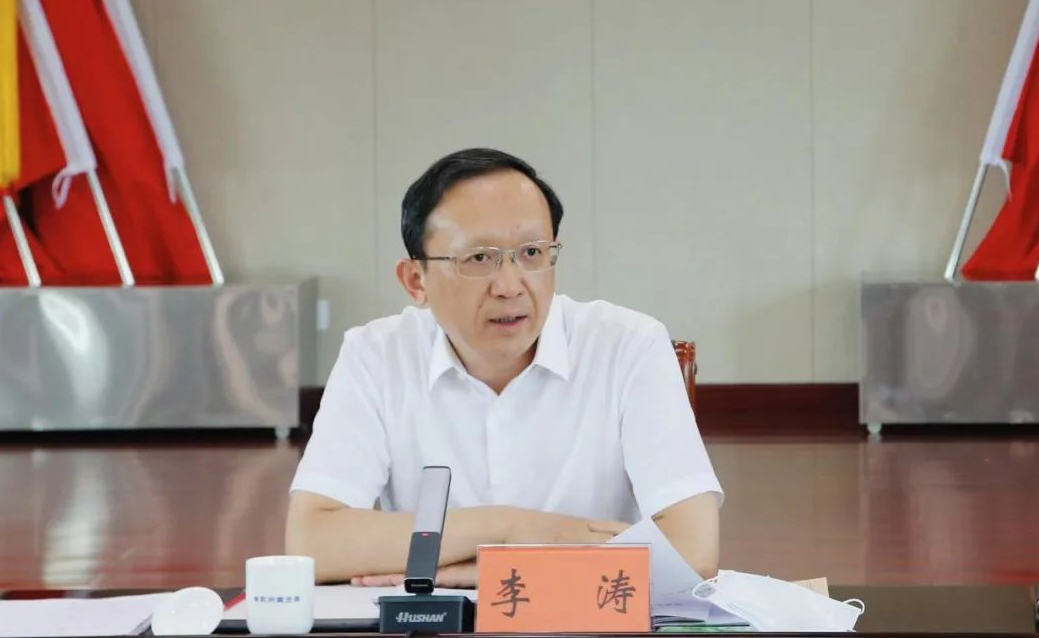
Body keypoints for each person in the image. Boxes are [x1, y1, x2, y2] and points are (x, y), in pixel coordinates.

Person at [286, 148, 722, 587]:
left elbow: (693, 550)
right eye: (479, 258)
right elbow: (312, 542)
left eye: (532, 252)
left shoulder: (627, 346)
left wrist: (483, 571)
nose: (511, 286)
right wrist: (511, 529)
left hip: (589, 617)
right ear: (416, 281)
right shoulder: (376, 356)